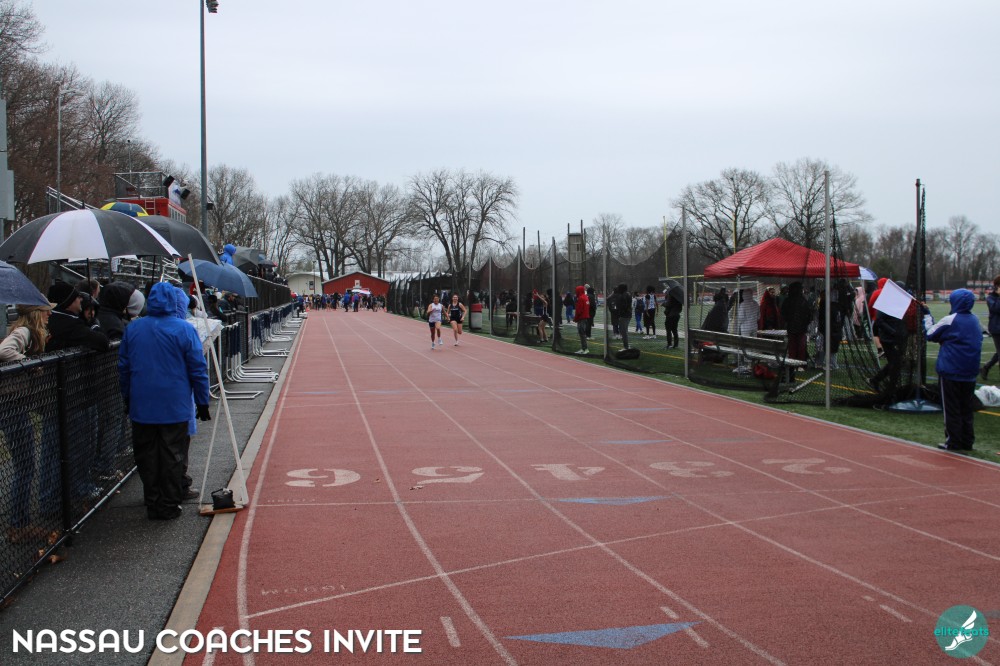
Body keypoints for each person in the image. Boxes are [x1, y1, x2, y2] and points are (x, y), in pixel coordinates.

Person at [118, 282, 211, 520]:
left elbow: (124, 368)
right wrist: (202, 401)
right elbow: (198, 368)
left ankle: (153, 500)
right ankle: (169, 502)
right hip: (174, 403)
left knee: (146, 456)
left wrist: (128, 397)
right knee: (173, 455)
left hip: (142, 402)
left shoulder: (134, 329)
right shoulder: (184, 329)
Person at [0, 304, 52, 542]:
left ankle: (20, 522)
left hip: (15, 402)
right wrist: (30, 364)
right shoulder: (24, 332)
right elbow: (4, 350)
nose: (49, 314)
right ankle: (18, 525)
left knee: (26, 464)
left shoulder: (30, 333)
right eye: (45, 310)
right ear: (35, 313)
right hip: (11, 403)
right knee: (25, 464)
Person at [927, 289, 982, 451]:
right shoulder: (975, 320)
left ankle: (953, 441)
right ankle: (967, 440)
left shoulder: (950, 319)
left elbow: (930, 333)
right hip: (970, 371)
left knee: (951, 407)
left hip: (951, 369)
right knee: (966, 407)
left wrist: (926, 315)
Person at [45, 281, 110, 353]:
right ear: (69, 302)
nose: (81, 299)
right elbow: (103, 342)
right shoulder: (69, 324)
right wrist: (94, 325)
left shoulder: (52, 318)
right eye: (78, 297)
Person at [780, 282, 811, 379]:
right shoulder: (803, 300)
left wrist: (789, 321)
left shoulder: (788, 300)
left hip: (793, 328)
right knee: (800, 347)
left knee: (793, 347)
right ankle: (799, 365)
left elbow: (783, 313)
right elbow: (809, 315)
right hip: (800, 329)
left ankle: (793, 364)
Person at [981, 275, 1000, 380]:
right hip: (997, 329)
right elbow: (996, 309)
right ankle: (986, 368)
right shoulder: (991, 298)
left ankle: (986, 367)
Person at [608, 283, 632, 350]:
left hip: (624, 316)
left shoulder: (623, 296)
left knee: (623, 332)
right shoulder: (628, 294)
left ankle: (626, 347)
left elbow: (623, 306)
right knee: (624, 331)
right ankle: (626, 346)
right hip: (628, 315)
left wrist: (621, 312)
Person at [663, 283, 683, 349]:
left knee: (668, 330)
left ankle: (669, 344)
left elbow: (668, 304)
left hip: (670, 315)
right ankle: (676, 345)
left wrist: (664, 304)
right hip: (676, 315)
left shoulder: (671, 295)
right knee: (675, 330)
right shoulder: (679, 297)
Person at [574, 285, 590, 355]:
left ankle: (585, 348)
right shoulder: (586, 297)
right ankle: (583, 348)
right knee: (582, 333)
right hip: (585, 317)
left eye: (577, 291)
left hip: (581, 318)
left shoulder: (581, 298)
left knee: (582, 333)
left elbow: (579, 310)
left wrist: (576, 318)